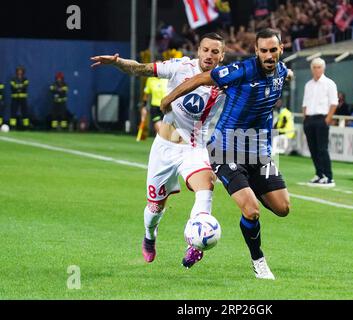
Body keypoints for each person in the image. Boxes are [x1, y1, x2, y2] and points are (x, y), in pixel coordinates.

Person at [160, 28, 294, 280]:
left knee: (283, 208)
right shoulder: (241, 70)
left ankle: (249, 191)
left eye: (272, 50)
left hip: (259, 153)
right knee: (252, 210)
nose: (268, 55)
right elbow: (201, 79)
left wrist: (289, 75)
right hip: (225, 149)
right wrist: (169, 97)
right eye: (263, 50)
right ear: (256, 51)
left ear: (280, 50)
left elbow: (285, 73)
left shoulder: (282, 71)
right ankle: (258, 260)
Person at [90, 33, 226, 269]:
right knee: (154, 208)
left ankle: (195, 243)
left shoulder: (226, 81)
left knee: (206, 187)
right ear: (198, 50)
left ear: (222, 56)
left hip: (194, 149)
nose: (209, 55)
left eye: (215, 52)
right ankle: (149, 236)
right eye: (206, 50)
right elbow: (141, 69)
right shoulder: (180, 67)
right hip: (164, 149)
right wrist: (119, 63)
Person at [302, 57, 338, 187]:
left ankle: (328, 176)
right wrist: (305, 118)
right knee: (313, 149)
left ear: (323, 68)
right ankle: (319, 174)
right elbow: (305, 103)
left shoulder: (329, 83)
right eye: (314, 67)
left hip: (322, 118)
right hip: (309, 119)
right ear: (312, 69)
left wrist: (328, 119)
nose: (317, 70)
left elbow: (334, 103)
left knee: (322, 148)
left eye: (319, 67)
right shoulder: (308, 85)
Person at [137, 74, 168, 140]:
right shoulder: (150, 80)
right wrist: (144, 107)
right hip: (155, 108)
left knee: (166, 132)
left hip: (167, 108)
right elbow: (146, 95)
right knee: (159, 130)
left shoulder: (167, 79)